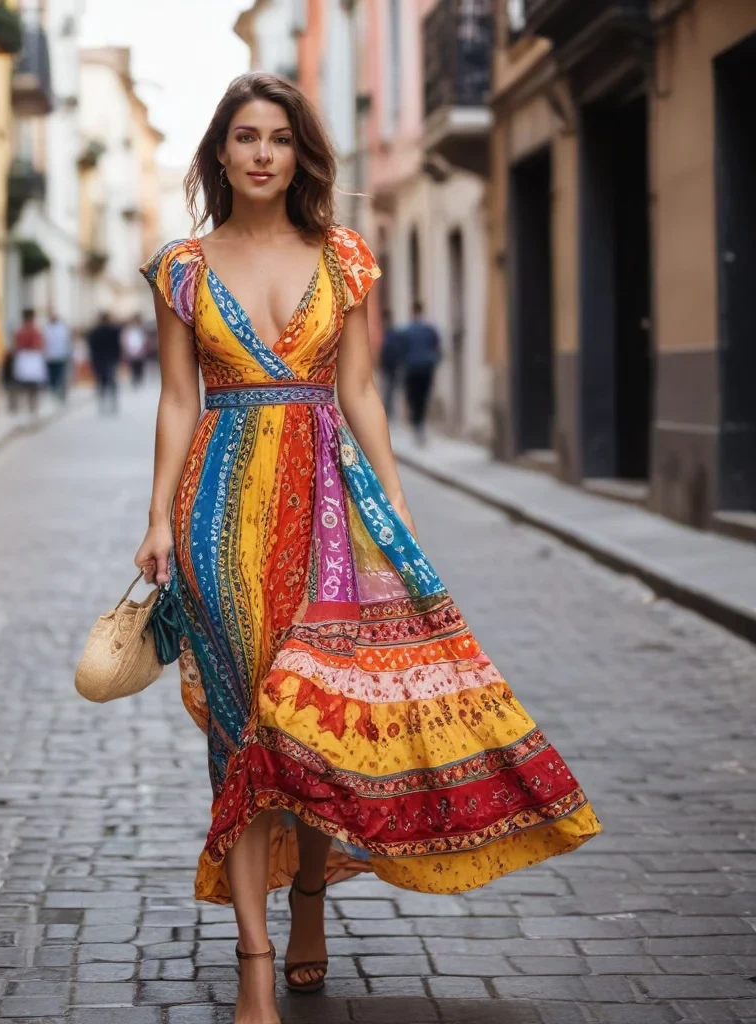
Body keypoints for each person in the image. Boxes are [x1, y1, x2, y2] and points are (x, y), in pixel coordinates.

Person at [132, 73, 600, 1024]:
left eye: (280, 138)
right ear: (219, 154)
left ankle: (309, 903)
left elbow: (362, 394)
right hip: (218, 516)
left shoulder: (344, 258)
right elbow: (179, 399)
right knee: (246, 732)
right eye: (245, 137)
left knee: (313, 724)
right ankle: (254, 956)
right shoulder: (181, 267)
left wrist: (395, 497)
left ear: (301, 154)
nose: (263, 153)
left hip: (329, 514)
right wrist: (154, 520)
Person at [399, 299, 442, 444]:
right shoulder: (429, 329)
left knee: (413, 397)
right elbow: (437, 346)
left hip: (412, 368)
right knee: (423, 396)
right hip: (426, 367)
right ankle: (420, 424)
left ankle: (417, 424)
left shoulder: (408, 330)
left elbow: (402, 350)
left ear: (412, 312)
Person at [11, 308, 46, 417]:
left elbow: (39, 344)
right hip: (26, 357)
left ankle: (31, 405)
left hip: (31, 358)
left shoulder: (33, 331)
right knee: (24, 384)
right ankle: (25, 405)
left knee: (32, 384)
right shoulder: (23, 331)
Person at [86, 311, 121, 414]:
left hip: (99, 359)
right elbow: (117, 346)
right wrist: (117, 358)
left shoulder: (94, 331)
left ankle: (102, 402)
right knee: (111, 380)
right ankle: (112, 402)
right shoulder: (114, 330)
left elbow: (91, 347)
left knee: (101, 381)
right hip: (110, 358)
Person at [43, 311, 72, 404]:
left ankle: (61, 393)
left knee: (60, 375)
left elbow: (67, 341)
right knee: (52, 376)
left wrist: (68, 353)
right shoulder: (46, 328)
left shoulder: (63, 328)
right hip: (50, 356)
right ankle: (54, 391)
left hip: (61, 355)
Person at [121, 313, 148, 387]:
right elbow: (125, 341)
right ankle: (135, 379)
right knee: (133, 366)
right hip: (131, 350)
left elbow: (143, 340)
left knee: (139, 366)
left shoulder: (140, 329)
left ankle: (139, 379)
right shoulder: (128, 330)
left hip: (139, 351)